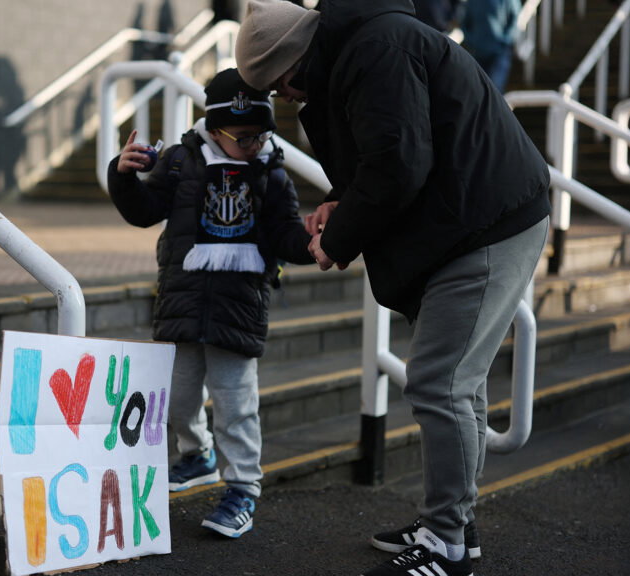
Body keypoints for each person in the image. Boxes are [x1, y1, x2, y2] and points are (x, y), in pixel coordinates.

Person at [235, 1, 550, 575]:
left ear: (294, 61)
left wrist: (340, 237)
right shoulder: (369, 45)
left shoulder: (375, 49)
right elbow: (389, 157)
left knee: (439, 382)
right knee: (460, 385)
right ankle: (454, 524)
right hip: (476, 215)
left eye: (281, 84)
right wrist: (342, 205)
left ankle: (446, 545)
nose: (286, 98)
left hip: (484, 223)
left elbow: (399, 163)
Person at [107, 68, 314, 539]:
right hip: (183, 302)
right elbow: (143, 211)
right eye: (243, 137)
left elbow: (285, 234)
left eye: (262, 134)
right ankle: (196, 455)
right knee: (177, 399)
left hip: (238, 307)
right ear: (215, 131)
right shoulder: (181, 162)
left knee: (236, 404)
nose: (254, 143)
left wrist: (314, 245)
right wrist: (122, 177)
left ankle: (242, 488)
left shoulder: (272, 172)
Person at [462, 0, 522, 92]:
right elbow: (465, 23)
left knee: (494, 90)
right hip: (478, 53)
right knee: (477, 91)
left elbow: (515, 20)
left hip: (499, 53)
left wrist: (504, 40)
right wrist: (472, 41)